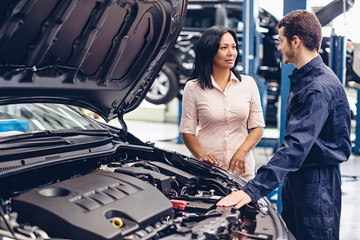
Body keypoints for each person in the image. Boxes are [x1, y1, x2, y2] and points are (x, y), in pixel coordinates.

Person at [217, 10, 352, 240]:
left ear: (296, 41)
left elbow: (295, 147)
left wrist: (253, 190)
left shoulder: (317, 88)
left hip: (316, 187)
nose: (278, 47)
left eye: (281, 40)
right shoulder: (306, 79)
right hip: (299, 180)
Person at [179, 25, 265, 181]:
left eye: (233, 47)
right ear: (210, 52)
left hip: (242, 170)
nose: (231, 52)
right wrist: (202, 156)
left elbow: (258, 127)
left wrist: (242, 151)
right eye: (224, 48)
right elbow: (187, 131)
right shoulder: (193, 87)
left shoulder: (248, 83)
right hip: (207, 170)